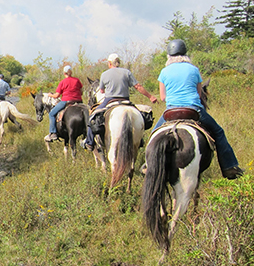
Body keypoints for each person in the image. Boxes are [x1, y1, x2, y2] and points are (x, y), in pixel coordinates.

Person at [152, 39, 244, 179]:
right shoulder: (194, 70)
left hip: (171, 112)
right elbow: (199, 93)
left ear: (169, 55)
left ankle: (148, 164)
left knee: (154, 134)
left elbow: (163, 97)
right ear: (185, 54)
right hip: (193, 110)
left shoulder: (164, 71)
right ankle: (229, 167)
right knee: (218, 132)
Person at [81, 53, 157, 150]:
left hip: (109, 100)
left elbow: (101, 91)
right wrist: (150, 96)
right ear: (118, 62)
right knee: (140, 115)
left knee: (92, 116)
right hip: (126, 100)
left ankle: (89, 142)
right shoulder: (127, 72)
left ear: (109, 63)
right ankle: (140, 139)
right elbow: (138, 86)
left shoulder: (104, 74)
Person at [44, 65, 83, 142]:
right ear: (71, 72)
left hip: (66, 101)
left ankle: (53, 133)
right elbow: (81, 92)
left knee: (51, 114)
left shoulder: (62, 82)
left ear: (64, 73)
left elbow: (56, 95)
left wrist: (50, 95)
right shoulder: (77, 80)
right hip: (78, 101)